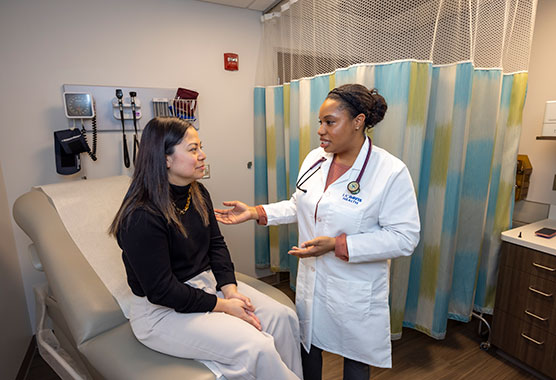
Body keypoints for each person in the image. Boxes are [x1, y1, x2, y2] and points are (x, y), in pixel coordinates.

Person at [215, 84, 420, 380]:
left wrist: (337, 244)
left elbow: (404, 238)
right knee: (308, 348)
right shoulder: (315, 159)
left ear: (358, 121)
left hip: (355, 287)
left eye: (330, 122)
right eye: (319, 123)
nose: (320, 131)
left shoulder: (390, 171)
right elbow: (299, 204)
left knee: (356, 359)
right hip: (313, 279)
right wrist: (255, 212)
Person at [109, 117, 303, 380]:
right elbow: (162, 291)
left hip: (206, 285)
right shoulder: (141, 216)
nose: (202, 155)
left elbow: (216, 244)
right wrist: (223, 306)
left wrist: (230, 291)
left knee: (283, 317)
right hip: (162, 313)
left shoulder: (197, 192)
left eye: (201, 147)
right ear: (165, 158)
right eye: (192, 149)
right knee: (257, 347)